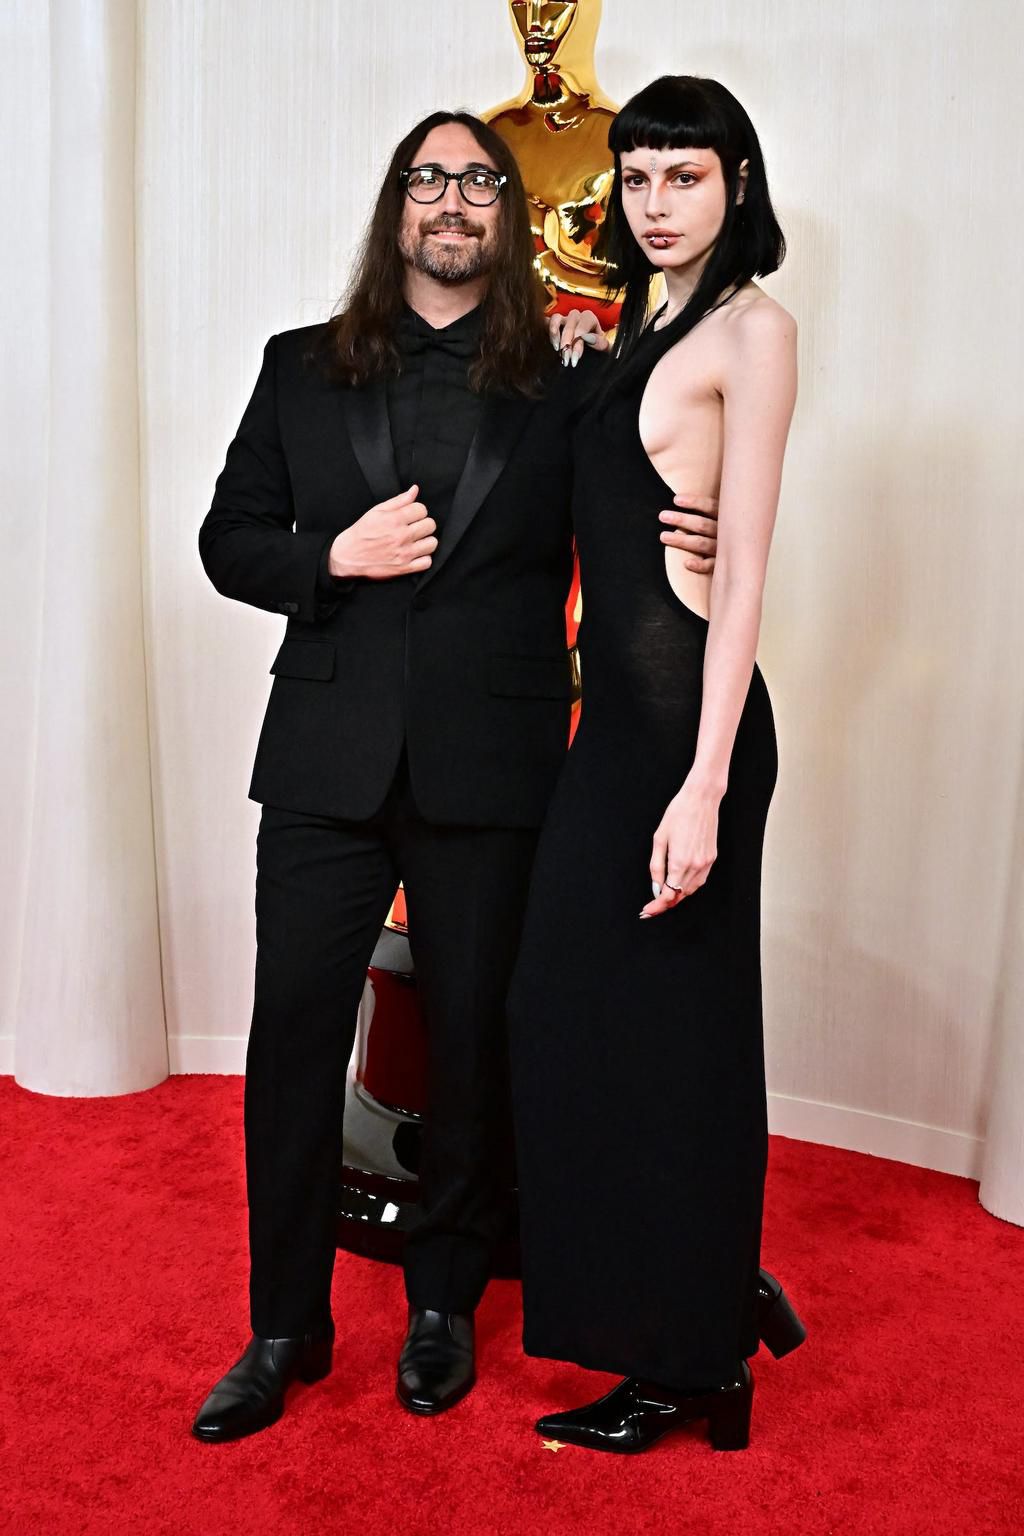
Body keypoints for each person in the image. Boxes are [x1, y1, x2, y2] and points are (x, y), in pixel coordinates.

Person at [189, 109, 722, 1442]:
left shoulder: (569, 379)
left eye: (479, 180)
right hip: (323, 763)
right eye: (429, 178)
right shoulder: (299, 365)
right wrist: (330, 558)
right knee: (293, 1041)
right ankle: (282, 1326)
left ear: (505, 214)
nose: (452, 199)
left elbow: (632, 511)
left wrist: (704, 528)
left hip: (494, 765)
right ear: (396, 206)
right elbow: (227, 537)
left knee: (476, 1042)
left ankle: (441, 1304)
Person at [507, 74, 801, 1455]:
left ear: (738, 182)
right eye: (637, 178)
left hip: (692, 736)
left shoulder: (755, 329)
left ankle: (695, 1362)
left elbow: (743, 577)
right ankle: (714, 1294)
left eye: (685, 176)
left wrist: (706, 784)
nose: (657, 203)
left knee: (678, 1050)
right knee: (573, 1022)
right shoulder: (636, 327)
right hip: (617, 730)